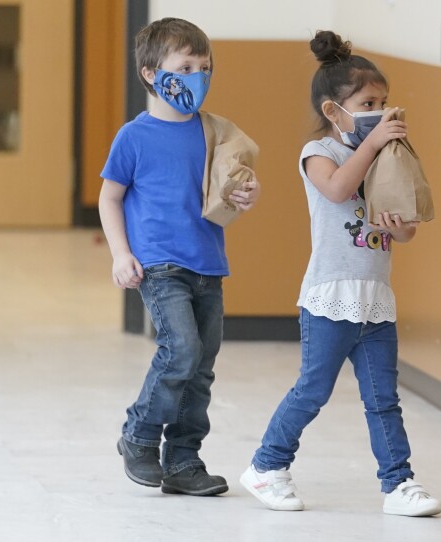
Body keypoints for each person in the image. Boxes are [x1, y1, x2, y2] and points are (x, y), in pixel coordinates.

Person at [239, 30, 441, 517]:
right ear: (335, 111)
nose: (380, 110)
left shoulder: (380, 157)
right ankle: (267, 466)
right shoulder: (319, 153)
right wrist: (372, 144)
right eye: (368, 102)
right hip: (330, 297)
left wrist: (398, 220)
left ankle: (398, 483)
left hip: (375, 298)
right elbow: (335, 191)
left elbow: (407, 231)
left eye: (384, 101)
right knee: (313, 390)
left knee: (383, 398)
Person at [99, 17, 261, 496]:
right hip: (158, 264)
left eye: (204, 66)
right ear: (151, 73)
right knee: (181, 350)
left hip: (208, 265)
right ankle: (139, 435)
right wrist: (120, 254)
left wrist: (248, 193)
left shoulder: (213, 132)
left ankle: (184, 461)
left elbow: (233, 184)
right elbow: (110, 197)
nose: (197, 75)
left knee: (201, 368)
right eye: (184, 66)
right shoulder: (134, 136)